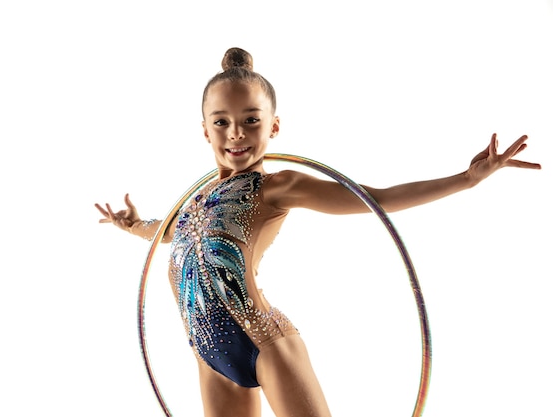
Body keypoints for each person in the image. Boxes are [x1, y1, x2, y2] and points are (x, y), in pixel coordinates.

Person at [95, 47, 541, 417]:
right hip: (209, 358)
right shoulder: (194, 201)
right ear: (204, 128)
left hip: (266, 343)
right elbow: (170, 233)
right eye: (222, 121)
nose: (236, 133)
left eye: (251, 120)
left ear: (273, 126)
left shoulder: (277, 187)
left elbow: (376, 198)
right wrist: (133, 225)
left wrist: (465, 179)